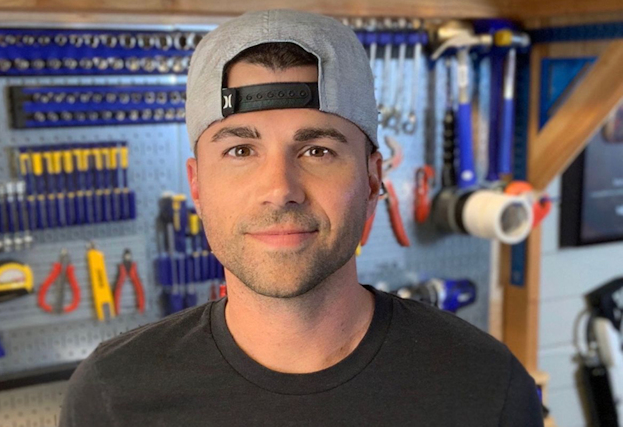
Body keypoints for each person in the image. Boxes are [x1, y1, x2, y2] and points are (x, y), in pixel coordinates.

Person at [59, 10, 544, 426]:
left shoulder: (486, 388)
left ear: (373, 180)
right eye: (241, 150)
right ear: (197, 185)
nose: (280, 190)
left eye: (317, 150)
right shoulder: (111, 397)